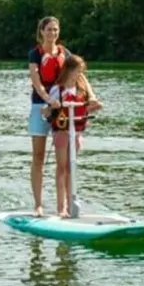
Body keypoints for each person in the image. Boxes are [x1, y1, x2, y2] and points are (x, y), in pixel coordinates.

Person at [48, 54, 103, 218]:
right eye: (77, 71)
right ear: (69, 70)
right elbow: (49, 109)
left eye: (81, 71)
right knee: (62, 166)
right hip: (62, 132)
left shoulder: (82, 89)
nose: (79, 75)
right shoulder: (57, 89)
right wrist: (51, 107)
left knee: (72, 167)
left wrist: (95, 106)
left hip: (76, 132)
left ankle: (72, 204)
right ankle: (61, 207)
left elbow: (87, 109)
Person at [27, 16, 70, 217]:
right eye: (49, 30)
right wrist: (47, 99)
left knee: (64, 160)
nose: (53, 33)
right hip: (39, 106)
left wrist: (92, 97)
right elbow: (36, 80)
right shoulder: (35, 54)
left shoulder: (65, 54)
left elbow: (79, 75)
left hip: (61, 109)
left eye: (56, 30)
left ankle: (63, 206)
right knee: (38, 156)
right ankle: (38, 204)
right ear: (42, 32)